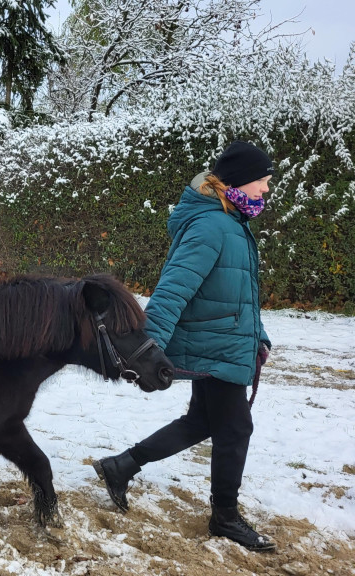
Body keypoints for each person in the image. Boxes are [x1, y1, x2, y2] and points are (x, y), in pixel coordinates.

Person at [92, 141, 276, 552]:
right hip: (216, 348)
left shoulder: (232, 222)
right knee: (235, 430)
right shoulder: (213, 225)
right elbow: (174, 287)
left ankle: (122, 465)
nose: (266, 188)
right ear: (241, 180)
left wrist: (257, 335)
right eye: (263, 180)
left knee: (202, 422)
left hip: (227, 342)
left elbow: (240, 293)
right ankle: (225, 517)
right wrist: (147, 345)